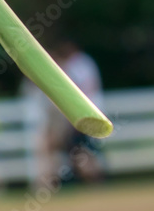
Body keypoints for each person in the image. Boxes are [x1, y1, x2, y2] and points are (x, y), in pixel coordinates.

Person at [34, 40, 106, 185]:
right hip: (74, 117)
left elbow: (85, 90)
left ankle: (92, 178)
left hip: (81, 116)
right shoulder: (80, 64)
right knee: (79, 152)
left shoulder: (78, 64)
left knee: (81, 152)